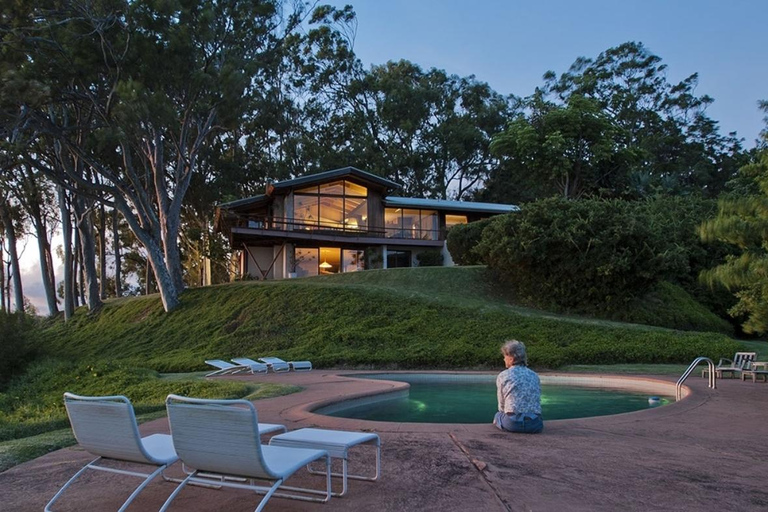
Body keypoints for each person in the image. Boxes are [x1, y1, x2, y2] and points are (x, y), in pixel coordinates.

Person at [493, 340, 544, 433]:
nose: (504, 359)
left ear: (511, 358)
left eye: (505, 357)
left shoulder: (503, 375)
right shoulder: (534, 375)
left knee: (497, 415)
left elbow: (501, 406)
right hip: (535, 424)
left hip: (513, 424)